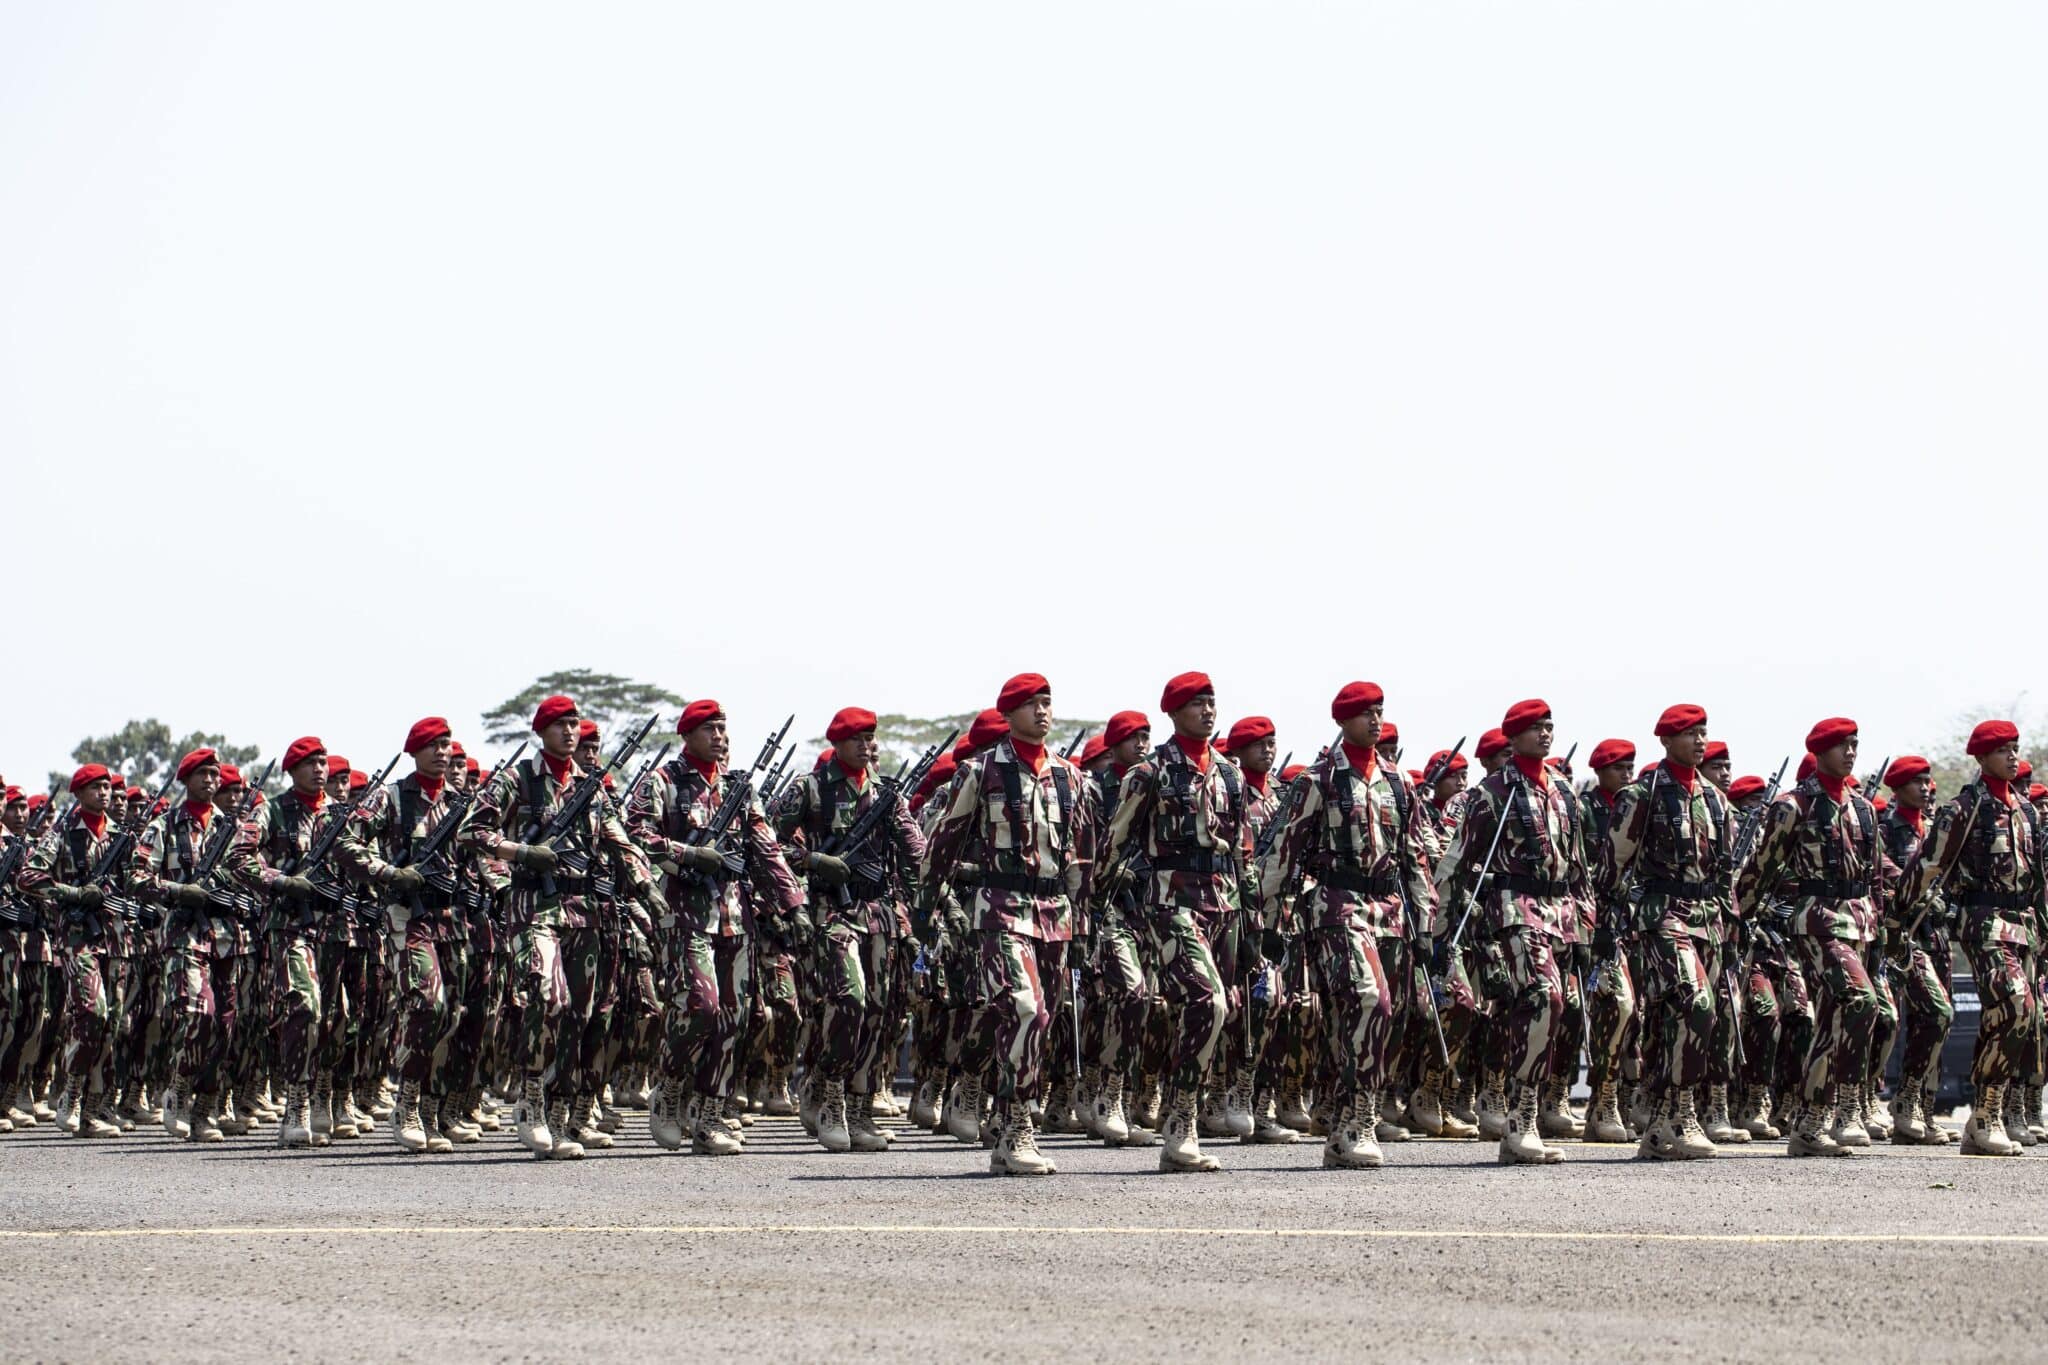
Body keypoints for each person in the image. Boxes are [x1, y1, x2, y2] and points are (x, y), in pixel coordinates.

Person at [1258, 682, 1437, 1169]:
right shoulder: (1319, 782)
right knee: (1367, 1000)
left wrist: (1426, 926)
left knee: (1380, 1019)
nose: (1376, 721)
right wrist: (1269, 920)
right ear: (1343, 721)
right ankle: (1357, 1120)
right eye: (1365, 713)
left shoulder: (1399, 783)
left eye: (1380, 712)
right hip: (1338, 906)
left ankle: (1341, 1122)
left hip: (1389, 911)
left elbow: (1415, 857)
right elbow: (1282, 852)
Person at [922, 673, 1095, 1176]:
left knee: (1039, 1023)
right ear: (1010, 712)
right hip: (1000, 906)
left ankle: (1001, 1115)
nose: (1043, 712)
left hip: (1055, 913)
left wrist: (1081, 926)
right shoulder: (981, 772)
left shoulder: (1071, 777)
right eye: (1032, 704)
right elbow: (943, 844)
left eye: (1048, 703)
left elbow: (1081, 859)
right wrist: (925, 909)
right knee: (1026, 1010)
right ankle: (1018, 1123)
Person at [1433, 700, 1589, 1165]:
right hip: (1514, 908)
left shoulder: (1562, 790)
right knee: (1545, 997)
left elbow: (1578, 864)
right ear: (1513, 737)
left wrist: (1585, 928)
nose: (1544, 735)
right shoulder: (1492, 793)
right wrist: (1441, 931)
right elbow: (1458, 863)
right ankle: (1520, 1120)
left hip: (1559, 911)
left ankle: (1524, 1115)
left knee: (1552, 1010)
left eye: (1549, 727)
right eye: (1534, 729)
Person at [1732, 718, 1895, 1157]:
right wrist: (1736, 919)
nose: (1850, 752)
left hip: (1858, 921)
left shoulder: (1862, 807)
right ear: (1820, 750)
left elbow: (1875, 874)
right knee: (1859, 1000)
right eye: (1841, 745)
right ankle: (1830, 1110)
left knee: (1834, 1019)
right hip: (1816, 921)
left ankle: (1813, 1122)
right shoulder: (1794, 805)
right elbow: (1762, 868)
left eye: (1854, 744)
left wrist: (1879, 923)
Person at [1898, 720, 2043, 1156]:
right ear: (1981, 758)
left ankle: (1984, 1120)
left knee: (2014, 1017)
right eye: (2003, 751)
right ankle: (1986, 1115)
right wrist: (1895, 921)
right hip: (1983, 924)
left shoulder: (2026, 810)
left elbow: (2037, 878)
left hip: (2024, 925)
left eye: (2015, 749)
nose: (2012, 757)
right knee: (2016, 1004)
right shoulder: (1964, 809)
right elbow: (1928, 867)